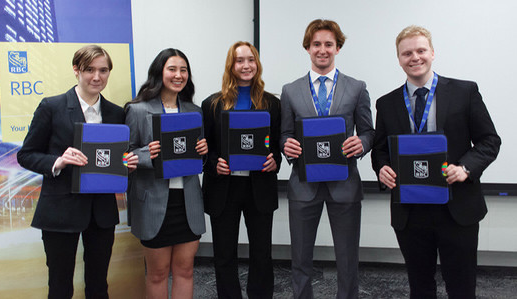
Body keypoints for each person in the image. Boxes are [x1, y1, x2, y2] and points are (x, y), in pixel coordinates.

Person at [371, 25, 501, 298]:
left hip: (456, 208)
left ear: (432, 53)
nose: (414, 57)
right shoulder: (387, 103)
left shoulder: (464, 92)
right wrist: (382, 168)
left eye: (420, 50)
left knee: (462, 287)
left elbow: (490, 141)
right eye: (407, 53)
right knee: (420, 286)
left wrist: (465, 168)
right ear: (398, 58)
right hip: (411, 211)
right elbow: (380, 151)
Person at [17, 45, 139, 298]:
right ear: (76, 70)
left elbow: (116, 160)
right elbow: (26, 155)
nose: (97, 77)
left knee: (98, 285)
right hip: (60, 211)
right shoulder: (52, 106)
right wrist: (58, 161)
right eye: (90, 70)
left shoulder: (117, 113)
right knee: (60, 286)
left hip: (101, 213)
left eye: (103, 70)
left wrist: (127, 163)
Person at [280, 19, 375, 299]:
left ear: (338, 48)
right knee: (300, 260)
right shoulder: (290, 90)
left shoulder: (357, 87)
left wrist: (362, 143)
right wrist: (288, 145)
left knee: (347, 261)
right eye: (317, 44)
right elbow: (284, 133)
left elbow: (368, 131)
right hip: (303, 185)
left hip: (344, 184)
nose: (323, 50)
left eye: (329, 44)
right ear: (308, 48)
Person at [125, 48, 207, 299]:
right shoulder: (137, 110)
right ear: (159, 72)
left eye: (183, 70)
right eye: (172, 69)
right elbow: (125, 156)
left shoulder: (194, 110)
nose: (178, 75)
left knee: (185, 271)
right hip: (154, 203)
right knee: (157, 274)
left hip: (187, 201)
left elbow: (196, 159)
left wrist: (203, 152)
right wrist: (148, 154)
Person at [201, 41, 281, 299]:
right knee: (224, 254)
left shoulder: (272, 103)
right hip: (224, 188)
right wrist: (214, 164)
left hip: (259, 187)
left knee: (262, 253)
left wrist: (274, 160)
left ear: (257, 64)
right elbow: (205, 149)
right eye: (239, 60)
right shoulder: (212, 104)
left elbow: (276, 144)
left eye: (251, 59)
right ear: (231, 66)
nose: (246, 65)